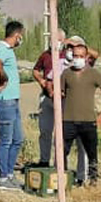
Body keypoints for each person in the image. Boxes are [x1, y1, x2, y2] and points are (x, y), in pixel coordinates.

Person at [60, 38, 101, 186]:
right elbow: (60, 94)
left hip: (88, 120)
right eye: (75, 56)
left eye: (81, 56)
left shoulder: (93, 74)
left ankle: (93, 180)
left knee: (91, 152)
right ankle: (63, 179)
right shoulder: (66, 74)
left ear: (87, 57)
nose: (77, 59)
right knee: (62, 152)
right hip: (68, 120)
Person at [0, 21, 25, 190]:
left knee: (17, 139)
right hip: (5, 101)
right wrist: (3, 78)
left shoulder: (8, 51)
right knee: (6, 141)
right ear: (17, 35)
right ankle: (3, 178)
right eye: (21, 35)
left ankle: (10, 173)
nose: (21, 39)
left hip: (13, 100)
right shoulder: (1, 49)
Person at [32, 29, 67, 168]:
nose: (55, 43)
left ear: (63, 40)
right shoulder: (45, 55)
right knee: (45, 131)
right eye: (52, 39)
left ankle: (59, 162)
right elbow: (35, 70)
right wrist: (41, 80)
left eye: (57, 40)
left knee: (61, 133)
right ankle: (44, 160)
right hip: (46, 98)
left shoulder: (68, 56)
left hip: (63, 99)